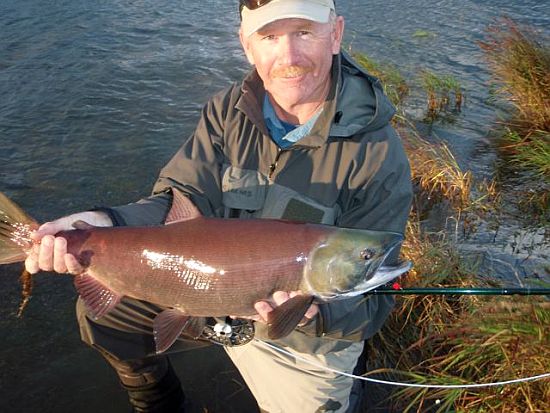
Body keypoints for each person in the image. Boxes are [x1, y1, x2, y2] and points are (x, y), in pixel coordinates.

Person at [25, 0, 413, 412]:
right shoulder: (227, 112)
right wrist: (101, 223)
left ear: (335, 35)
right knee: (101, 314)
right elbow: (175, 202)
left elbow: (373, 306)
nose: (289, 57)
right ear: (247, 45)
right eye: (269, 37)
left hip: (301, 341)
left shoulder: (378, 156)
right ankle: (157, 400)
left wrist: (317, 315)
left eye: (303, 32)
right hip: (196, 295)